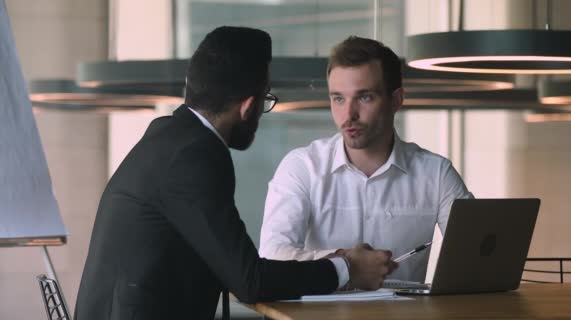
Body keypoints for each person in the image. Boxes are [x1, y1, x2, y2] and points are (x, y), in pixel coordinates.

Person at [74, 27, 397, 320]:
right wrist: (347, 269)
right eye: (265, 99)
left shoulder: (171, 136)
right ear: (247, 106)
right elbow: (249, 280)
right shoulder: (194, 156)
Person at [259, 36, 473, 282]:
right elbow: (272, 255)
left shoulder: (436, 174)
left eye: (365, 97)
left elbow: (475, 258)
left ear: (396, 100)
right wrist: (346, 262)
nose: (348, 114)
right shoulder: (302, 167)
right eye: (338, 98)